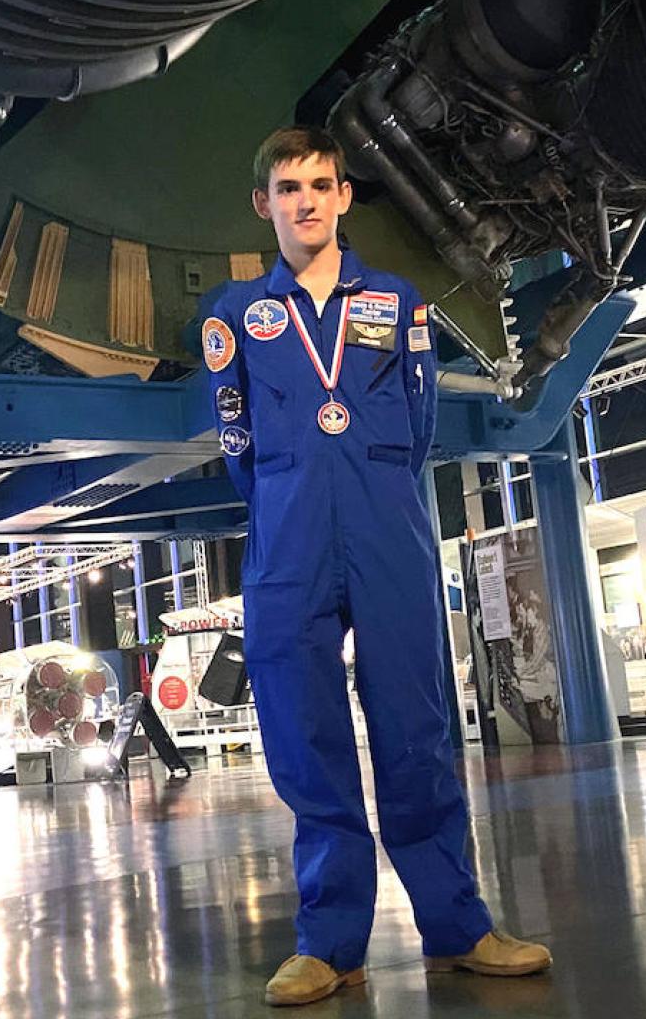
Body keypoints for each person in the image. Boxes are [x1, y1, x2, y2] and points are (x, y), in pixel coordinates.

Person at [201, 126, 552, 1007]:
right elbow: (235, 439)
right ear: (264, 204)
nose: (307, 200)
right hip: (288, 536)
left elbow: (421, 420)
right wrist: (292, 491)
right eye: (289, 188)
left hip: (387, 524)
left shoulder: (397, 303)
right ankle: (331, 943)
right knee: (304, 733)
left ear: (345, 196)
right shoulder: (236, 314)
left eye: (322, 184)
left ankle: (457, 928)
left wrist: (371, 484)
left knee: (417, 722)